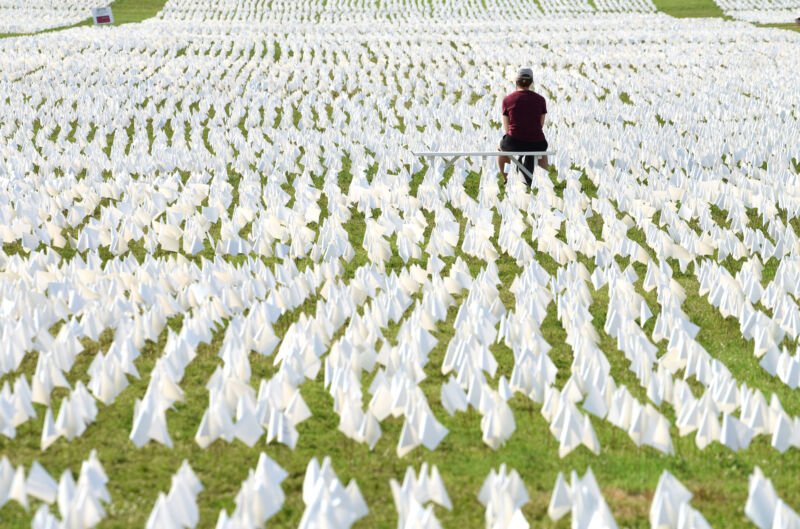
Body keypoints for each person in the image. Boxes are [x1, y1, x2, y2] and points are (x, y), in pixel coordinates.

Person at [497, 68, 549, 186]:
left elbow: (507, 128)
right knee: (543, 153)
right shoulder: (541, 100)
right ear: (531, 82)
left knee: (501, 149)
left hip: (514, 143)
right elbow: (540, 125)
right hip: (537, 143)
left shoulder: (507, 100)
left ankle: (506, 179)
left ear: (516, 81)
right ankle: (543, 182)